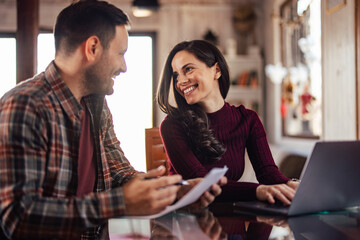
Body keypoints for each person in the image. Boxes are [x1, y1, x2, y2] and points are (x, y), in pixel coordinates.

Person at [0, 2, 226, 240]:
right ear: (93, 48)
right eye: (120, 54)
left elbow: (120, 174)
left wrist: (175, 193)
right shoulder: (25, 106)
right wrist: (120, 203)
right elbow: (18, 218)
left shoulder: (96, 104)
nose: (124, 67)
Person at [157, 40, 299, 206]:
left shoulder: (248, 119)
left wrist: (292, 184)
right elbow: (201, 183)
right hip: (187, 220)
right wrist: (257, 191)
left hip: (232, 219)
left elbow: (268, 174)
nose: (180, 81)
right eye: (176, 75)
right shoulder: (172, 126)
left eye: (188, 69)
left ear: (216, 70)